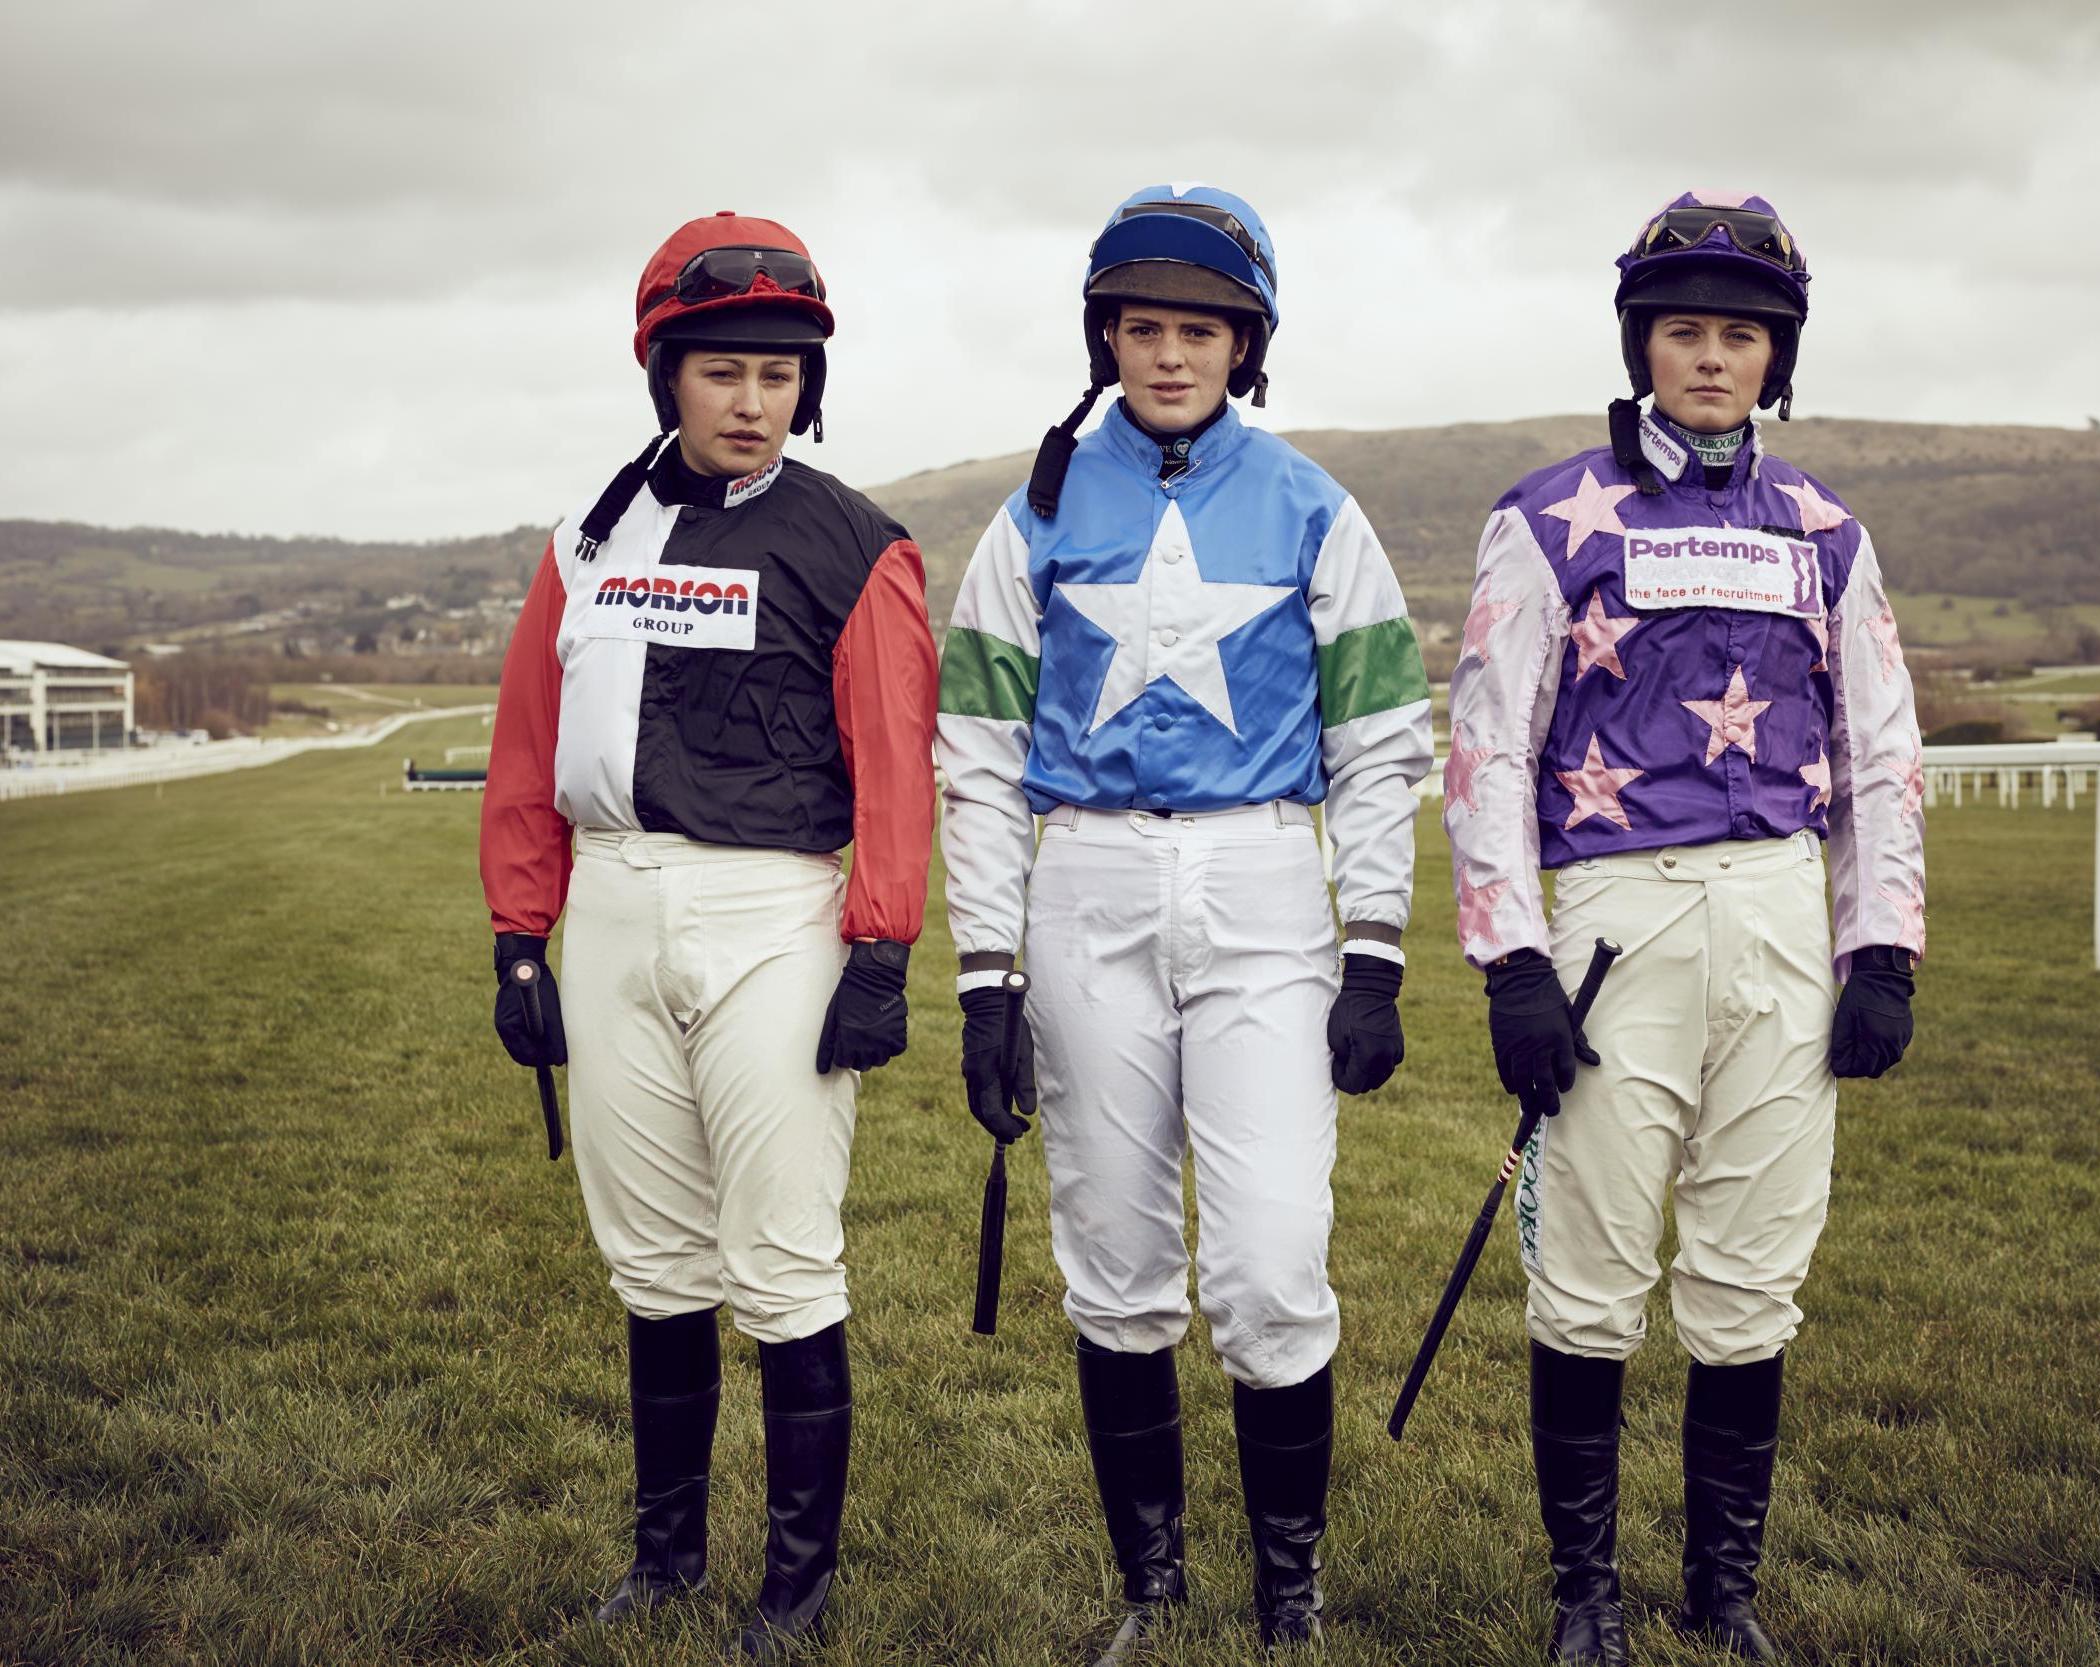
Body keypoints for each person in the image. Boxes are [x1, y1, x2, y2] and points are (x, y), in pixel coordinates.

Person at [937, 184, 1433, 1659]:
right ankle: (1150, 1593)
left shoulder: (1309, 506)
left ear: (1245, 343)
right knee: (1114, 1255)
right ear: (1107, 338)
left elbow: (1381, 739)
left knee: (1273, 1262)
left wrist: (1376, 949)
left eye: (1198, 331)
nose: (1168, 357)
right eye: (1142, 329)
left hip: (1262, 885)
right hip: (1082, 885)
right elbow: (971, 752)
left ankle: (1291, 1596)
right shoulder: (1029, 514)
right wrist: (982, 974)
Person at [1444, 191, 1924, 1665]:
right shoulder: (1544, 519)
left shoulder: (1825, 533)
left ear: (1774, 357)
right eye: (1681, 332)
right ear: (1639, 344)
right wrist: (1509, 959)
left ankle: (1724, 1595)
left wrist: (1881, 946)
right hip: (1609, 923)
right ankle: (1580, 1595)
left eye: (1737, 336)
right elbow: (1487, 749)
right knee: (1589, 1275)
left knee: (1748, 1272)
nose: (1707, 360)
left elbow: (1881, 750)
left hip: (1777, 913)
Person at [478, 212, 938, 1658]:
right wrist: (516, 937)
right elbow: (527, 748)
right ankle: (665, 1558)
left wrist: (879, 947)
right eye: (725, 371)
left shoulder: (860, 546)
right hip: (613, 907)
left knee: (783, 1258)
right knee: (655, 1259)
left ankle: (793, 1594)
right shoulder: (586, 540)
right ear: (664, 373)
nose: (754, 401)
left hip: (773, 914)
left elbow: (893, 763)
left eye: (780, 375)